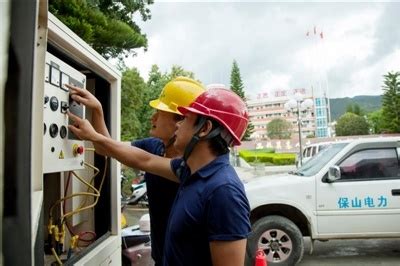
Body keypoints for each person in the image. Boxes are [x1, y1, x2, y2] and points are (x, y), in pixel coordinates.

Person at [67, 87, 251, 266]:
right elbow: (145, 160)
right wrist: (96, 127)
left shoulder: (224, 192)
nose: (179, 124)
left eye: (185, 118)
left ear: (205, 128)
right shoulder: (188, 171)